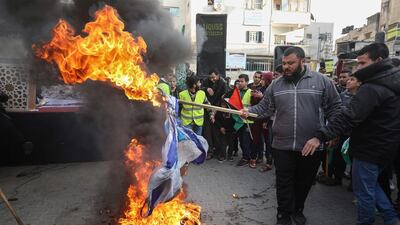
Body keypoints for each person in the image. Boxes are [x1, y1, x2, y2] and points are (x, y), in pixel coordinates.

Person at [240, 46, 341, 225]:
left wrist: (326, 134)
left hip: (311, 145)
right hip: (282, 144)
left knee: (304, 181)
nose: (286, 67)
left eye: (291, 63)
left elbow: (335, 109)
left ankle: (298, 209)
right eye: (284, 63)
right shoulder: (276, 85)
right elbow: (264, 108)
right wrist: (248, 111)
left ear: (303, 61)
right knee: (284, 182)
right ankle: (283, 214)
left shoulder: (322, 81)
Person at [303, 43, 400, 225]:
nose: (359, 68)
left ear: (378, 61)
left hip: (369, 148)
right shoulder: (391, 82)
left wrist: (320, 136)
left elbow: (348, 117)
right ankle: (391, 218)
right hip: (386, 147)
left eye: (363, 63)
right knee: (371, 186)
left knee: (364, 192)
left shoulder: (372, 87)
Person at [319, 74, 362, 186]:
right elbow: (336, 113)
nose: (347, 81)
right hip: (341, 131)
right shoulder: (342, 95)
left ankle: (354, 183)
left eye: (352, 79)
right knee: (338, 156)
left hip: (355, 133)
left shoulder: (363, 98)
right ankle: (336, 177)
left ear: (359, 83)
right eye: (342, 77)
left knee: (354, 159)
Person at [202, 69, 226, 159]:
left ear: (218, 75)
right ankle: (210, 151)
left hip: (218, 110)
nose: (212, 79)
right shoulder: (206, 81)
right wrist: (206, 89)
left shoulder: (223, 83)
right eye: (210, 78)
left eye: (213, 77)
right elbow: (200, 88)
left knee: (217, 132)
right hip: (207, 108)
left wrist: (215, 111)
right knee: (207, 131)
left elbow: (223, 97)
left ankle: (220, 151)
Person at [234, 74, 257, 168]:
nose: (240, 83)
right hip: (239, 120)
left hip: (248, 121)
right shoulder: (237, 92)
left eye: (242, 81)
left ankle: (247, 158)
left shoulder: (250, 92)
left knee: (246, 141)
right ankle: (246, 156)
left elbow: (255, 106)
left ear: (247, 82)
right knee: (242, 141)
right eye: (239, 81)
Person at [248, 71, 265, 163]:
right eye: (256, 76)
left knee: (259, 138)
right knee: (251, 136)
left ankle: (260, 156)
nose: (257, 78)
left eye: (259, 77)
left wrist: (261, 96)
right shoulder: (249, 86)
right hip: (249, 114)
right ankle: (251, 155)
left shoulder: (263, 88)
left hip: (260, 116)